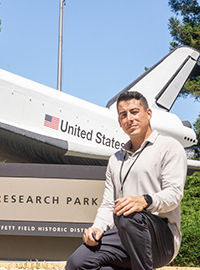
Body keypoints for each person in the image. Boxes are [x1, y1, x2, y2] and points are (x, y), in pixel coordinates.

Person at [65, 91, 187, 270]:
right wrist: (97, 228)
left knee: (129, 213)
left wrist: (144, 201)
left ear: (149, 114)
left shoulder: (169, 147)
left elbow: (174, 195)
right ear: (120, 121)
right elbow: (108, 204)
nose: (129, 119)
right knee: (77, 263)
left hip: (161, 239)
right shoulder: (116, 159)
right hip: (123, 234)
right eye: (123, 115)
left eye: (134, 112)